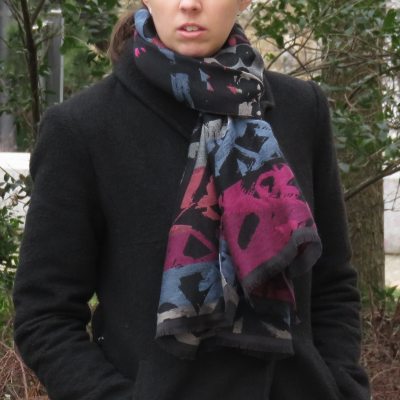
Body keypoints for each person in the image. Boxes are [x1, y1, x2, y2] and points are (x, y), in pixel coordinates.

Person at [12, 0, 372, 399]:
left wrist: (343, 386)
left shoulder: (301, 109)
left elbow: (332, 283)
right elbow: (44, 313)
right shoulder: (83, 128)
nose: (189, 4)